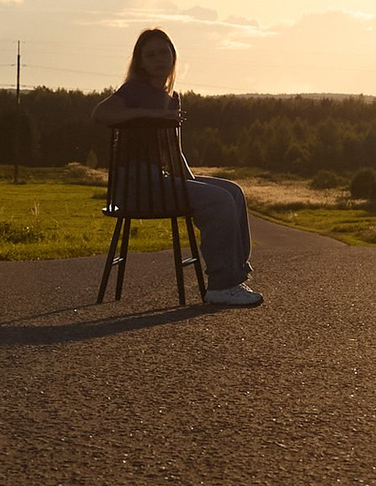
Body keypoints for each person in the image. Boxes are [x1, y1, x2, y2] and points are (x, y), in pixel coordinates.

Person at [96, 27, 262, 307]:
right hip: (137, 187)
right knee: (219, 200)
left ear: (173, 56)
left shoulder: (171, 97)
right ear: (140, 62)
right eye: (150, 55)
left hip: (159, 183)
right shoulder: (135, 90)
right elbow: (99, 113)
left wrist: (192, 184)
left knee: (232, 191)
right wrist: (149, 114)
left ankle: (234, 277)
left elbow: (174, 151)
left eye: (164, 52)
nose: (159, 59)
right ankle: (222, 285)